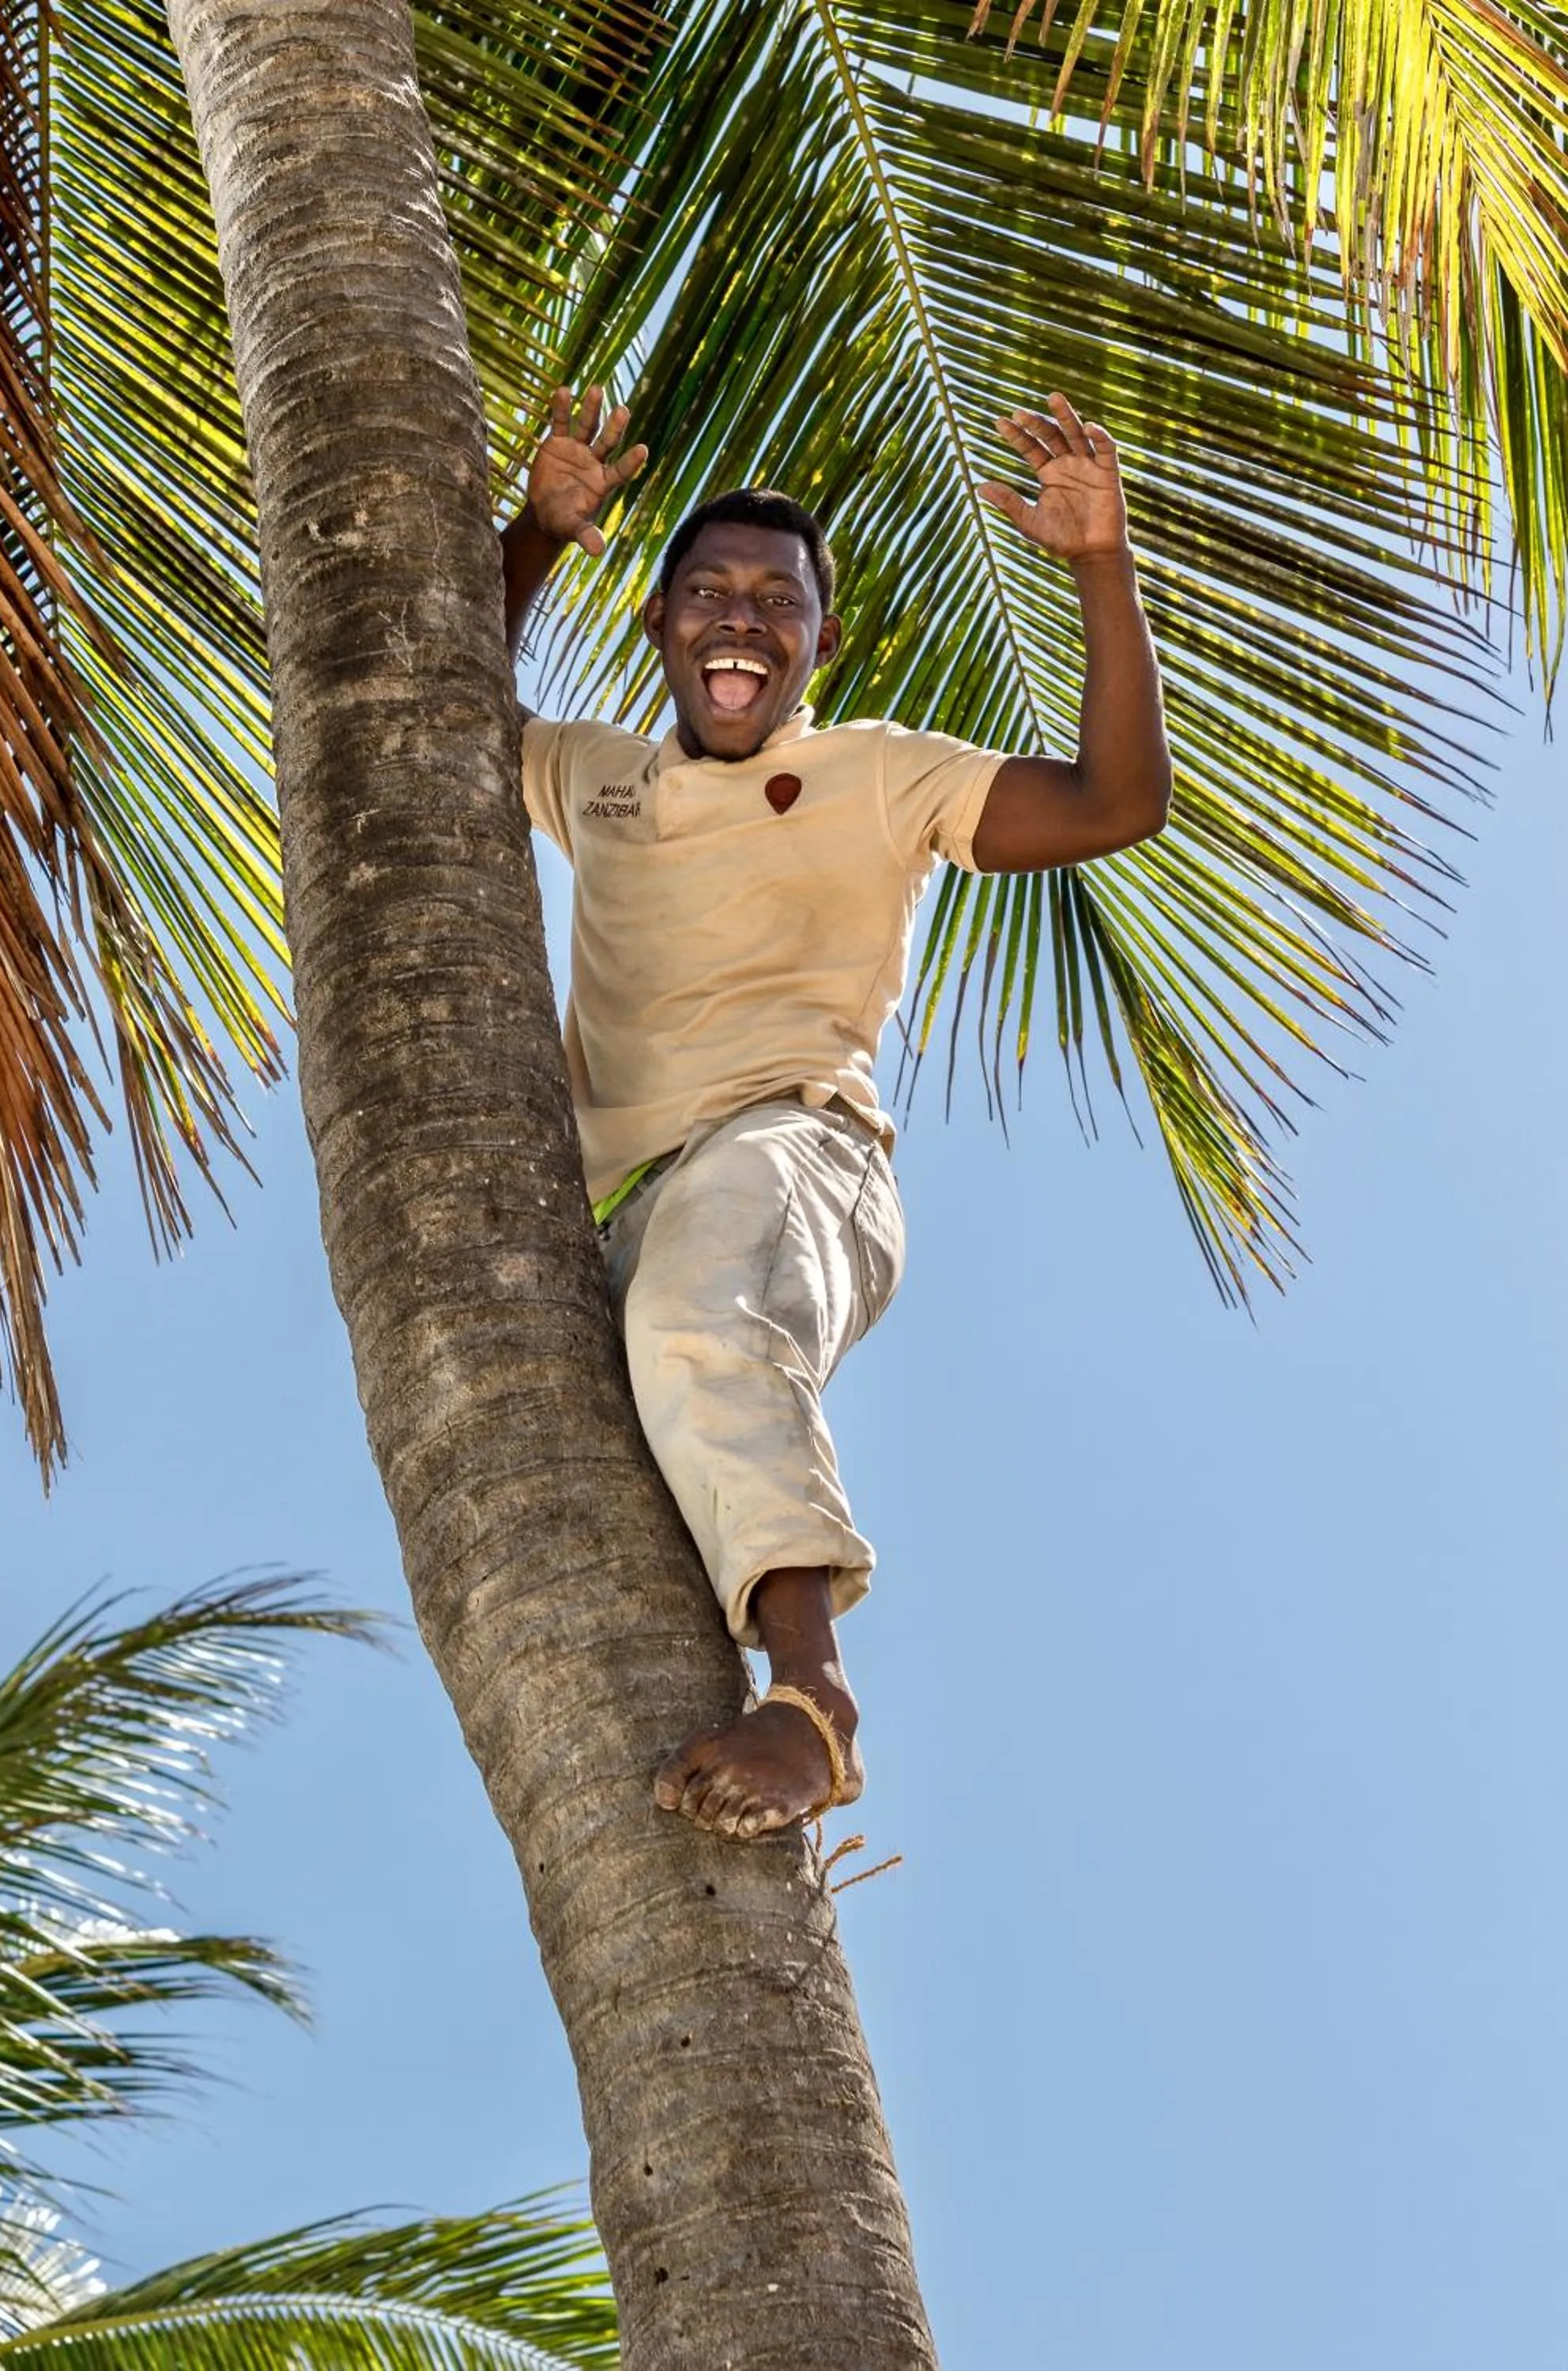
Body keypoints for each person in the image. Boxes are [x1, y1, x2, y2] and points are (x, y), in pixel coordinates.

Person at [499, 385, 1170, 1844]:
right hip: (604, 1211)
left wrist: (1100, 565)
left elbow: (1117, 801)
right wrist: (537, 537)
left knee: (695, 1316)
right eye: (706, 593)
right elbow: (421, 721)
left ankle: (815, 1705)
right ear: (662, 624)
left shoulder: (880, 774)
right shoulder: (596, 777)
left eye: (777, 601)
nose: (740, 620)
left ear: (821, 641)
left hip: (795, 1153)